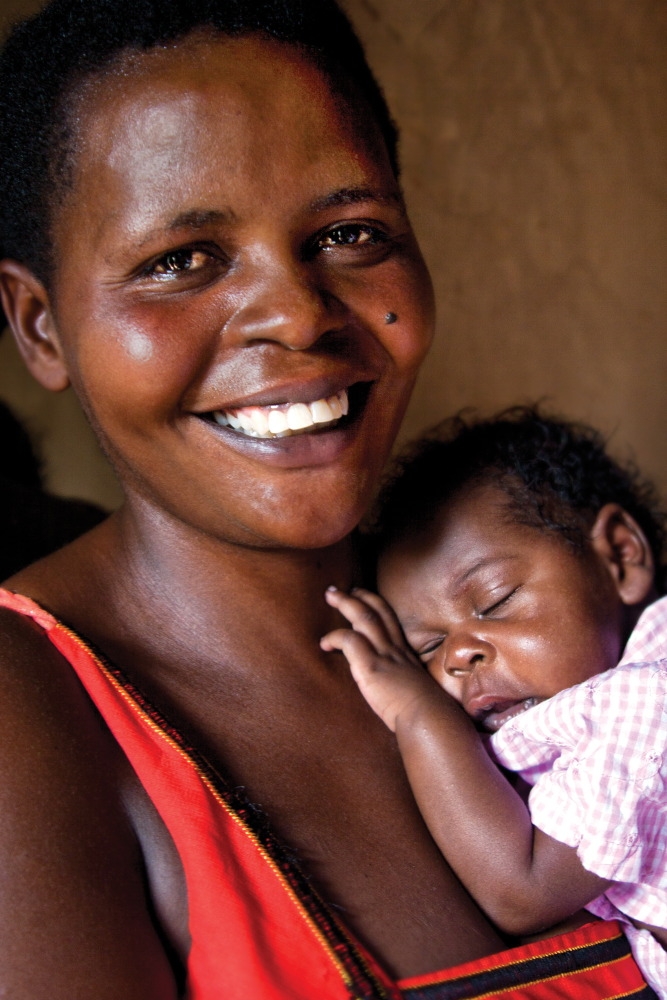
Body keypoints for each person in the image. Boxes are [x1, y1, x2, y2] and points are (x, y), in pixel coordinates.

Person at [0, 0, 655, 994]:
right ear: (41, 327)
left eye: (350, 231)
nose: (298, 318)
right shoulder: (31, 717)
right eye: (182, 261)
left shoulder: (543, 620)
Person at [323, 407, 667, 997]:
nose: (459, 655)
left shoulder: (648, 695)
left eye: (495, 600)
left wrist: (417, 712)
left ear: (619, 555)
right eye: (425, 647)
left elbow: (523, 891)